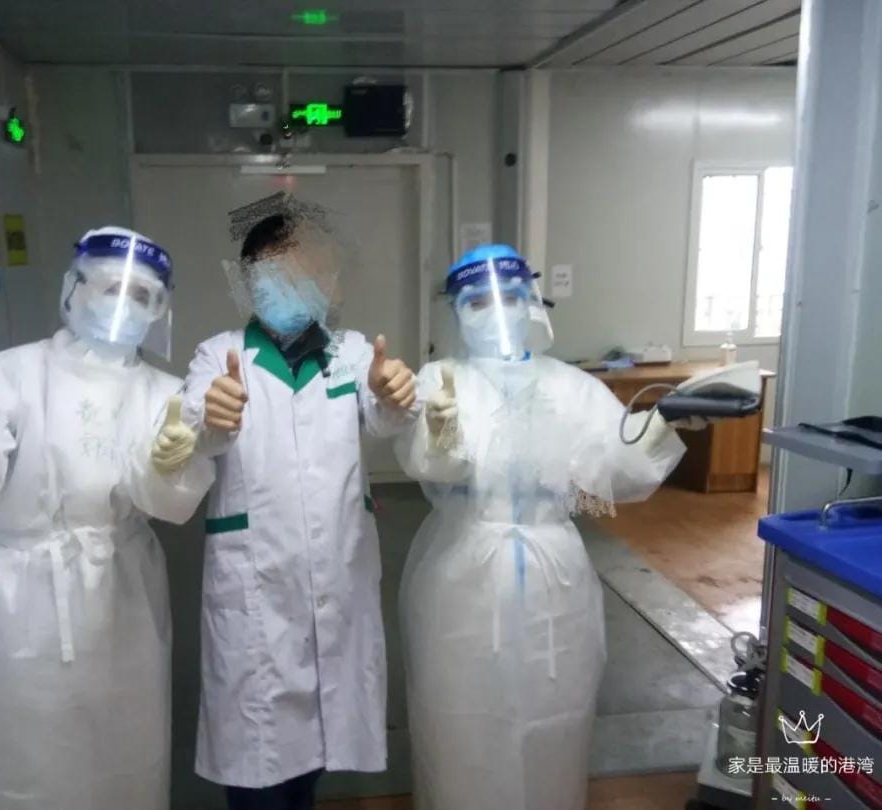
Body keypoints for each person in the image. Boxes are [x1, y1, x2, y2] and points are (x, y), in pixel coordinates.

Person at [0, 226, 213, 810]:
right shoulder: (3, 376)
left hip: (122, 592)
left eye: (141, 295)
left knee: (123, 751)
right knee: (20, 755)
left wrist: (165, 466)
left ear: (160, 309)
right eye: (110, 287)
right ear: (73, 289)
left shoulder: (166, 393)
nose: (122, 305)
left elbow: (164, 499)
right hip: (21, 595)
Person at [394, 244, 688, 810]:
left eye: (508, 297)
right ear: (455, 312)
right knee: (458, 719)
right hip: (463, 567)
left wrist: (663, 425)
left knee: (557, 716)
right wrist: (444, 435)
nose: (495, 312)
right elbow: (430, 465)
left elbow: (616, 469)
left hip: (557, 576)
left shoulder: (570, 386)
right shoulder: (442, 378)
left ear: (532, 302)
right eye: (476, 302)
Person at [181, 210, 418, 810]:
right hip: (255, 586)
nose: (293, 285)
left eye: (307, 272)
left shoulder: (350, 352)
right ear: (248, 283)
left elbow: (384, 413)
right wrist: (213, 414)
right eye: (276, 273)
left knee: (313, 745)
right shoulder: (219, 355)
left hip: (336, 576)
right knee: (257, 757)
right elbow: (194, 426)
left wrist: (394, 392)